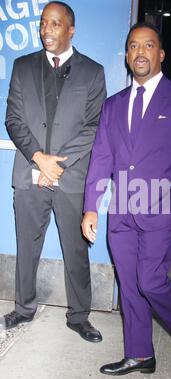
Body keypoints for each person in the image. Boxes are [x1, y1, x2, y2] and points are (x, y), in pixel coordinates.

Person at [82, 23, 171, 375]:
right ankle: (140, 354)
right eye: (133, 46)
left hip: (159, 207)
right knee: (130, 285)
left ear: (161, 54)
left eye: (148, 45)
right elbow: (101, 157)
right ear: (126, 55)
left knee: (151, 281)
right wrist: (92, 206)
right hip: (121, 211)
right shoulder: (113, 105)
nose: (140, 51)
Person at [3, 1, 106, 343]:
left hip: (70, 177)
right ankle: (24, 308)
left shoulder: (93, 72)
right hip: (29, 175)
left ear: (70, 29)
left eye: (55, 23)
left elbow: (94, 126)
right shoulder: (22, 67)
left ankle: (79, 316)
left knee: (76, 251)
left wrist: (56, 163)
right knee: (26, 248)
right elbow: (13, 120)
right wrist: (38, 158)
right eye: (44, 22)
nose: (46, 29)